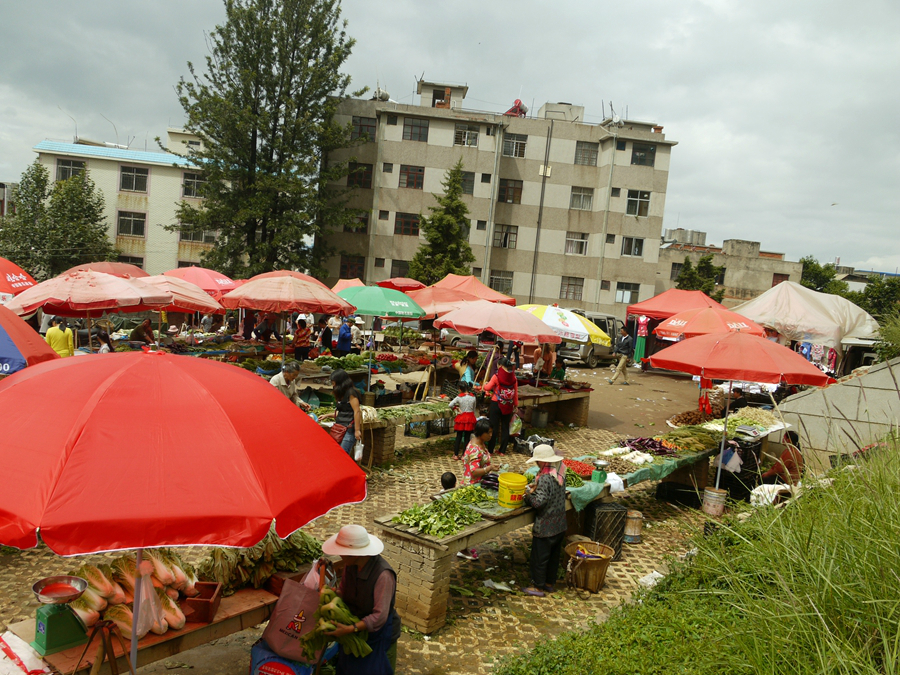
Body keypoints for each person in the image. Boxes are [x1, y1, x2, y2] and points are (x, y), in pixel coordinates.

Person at [320, 524, 400, 674]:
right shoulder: (350, 565)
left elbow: (379, 616)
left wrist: (351, 629)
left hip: (379, 635)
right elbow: (344, 591)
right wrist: (333, 594)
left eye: (343, 553)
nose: (340, 556)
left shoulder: (383, 575)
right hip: (355, 628)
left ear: (355, 554)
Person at [522, 444, 568, 597]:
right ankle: (549, 583)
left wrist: (528, 496)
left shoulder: (545, 478)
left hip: (546, 525)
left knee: (540, 558)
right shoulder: (561, 471)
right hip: (559, 523)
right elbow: (551, 493)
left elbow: (539, 503)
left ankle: (538, 586)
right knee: (553, 557)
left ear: (541, 461)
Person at [459, 418, 496, 561]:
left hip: (478, 485)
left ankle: (465, 547)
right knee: (470, 520)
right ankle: (462, 549)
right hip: (472, 487)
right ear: (481, 433)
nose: (491, 435)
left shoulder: (480, 443)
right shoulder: (475, 449)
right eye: (489, 433)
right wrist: (489, 468)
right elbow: (474, 471)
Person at [320, 369, 362, 456]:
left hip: (349, 428)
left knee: (343, 454)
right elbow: (343, 412)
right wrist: (327, 415)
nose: (333, 385)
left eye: (333, 382)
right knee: (336, 452)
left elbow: (356, 411)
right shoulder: (341, 393)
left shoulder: (351, 393)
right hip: (339, 428)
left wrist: (357, 430)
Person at [483, 357, 519, 456]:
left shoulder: (496, 376)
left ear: (500, 366)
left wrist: (485, 384)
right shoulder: (514, 378)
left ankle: (490, 450)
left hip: (496, 403)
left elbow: (487, 387)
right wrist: (516, 405)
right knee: (505, 427)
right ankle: (502, 450)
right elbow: (515, 393)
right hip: (508, 404)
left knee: (493, 427)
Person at [448, 381, 477, 460]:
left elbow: (450, 404)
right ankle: (464, 455)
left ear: (460, 389)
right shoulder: (473, 397)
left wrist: (456, 408)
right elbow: (474, 409)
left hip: (462, 417)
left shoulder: (459, 397)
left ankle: (456, 455)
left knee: (459, 436)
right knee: (467, 438)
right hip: (470, 417)